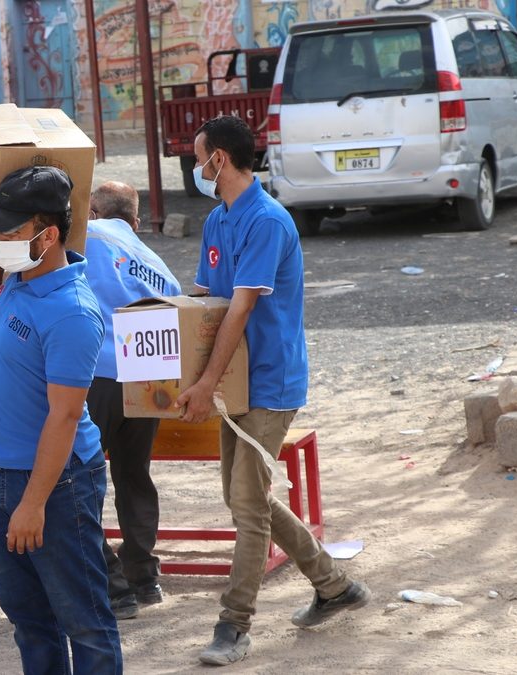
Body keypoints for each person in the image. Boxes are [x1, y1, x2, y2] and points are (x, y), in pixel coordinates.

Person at [175, 116, 370, 666]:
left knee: (247, 504)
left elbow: (240, 309)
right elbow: (207, 305)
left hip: (269, 381)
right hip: (233, 382)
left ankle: (233, 625)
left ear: (220, 159)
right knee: (246, 498)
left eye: (199, 158)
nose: (196, 168)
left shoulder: (266, 221)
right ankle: (334, 585)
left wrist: (204, 382)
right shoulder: (218, 220)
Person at [0, 166, 123, 673]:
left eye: (10, 233)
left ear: (48, 235)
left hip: (55, 486)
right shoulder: (17, 281)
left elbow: (65, 416)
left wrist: (33, 503)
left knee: (84, 621)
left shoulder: (71, 312)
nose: (0, 242)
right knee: (28, 619)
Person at [84, 181, 181, 620]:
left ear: (93, 211)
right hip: (147, 379)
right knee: (134, 475)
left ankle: (113, 585)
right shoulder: (158, 264)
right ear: (136, 222)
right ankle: (143, 577)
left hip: (98, 374)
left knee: (75, 480)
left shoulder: (86, 236)